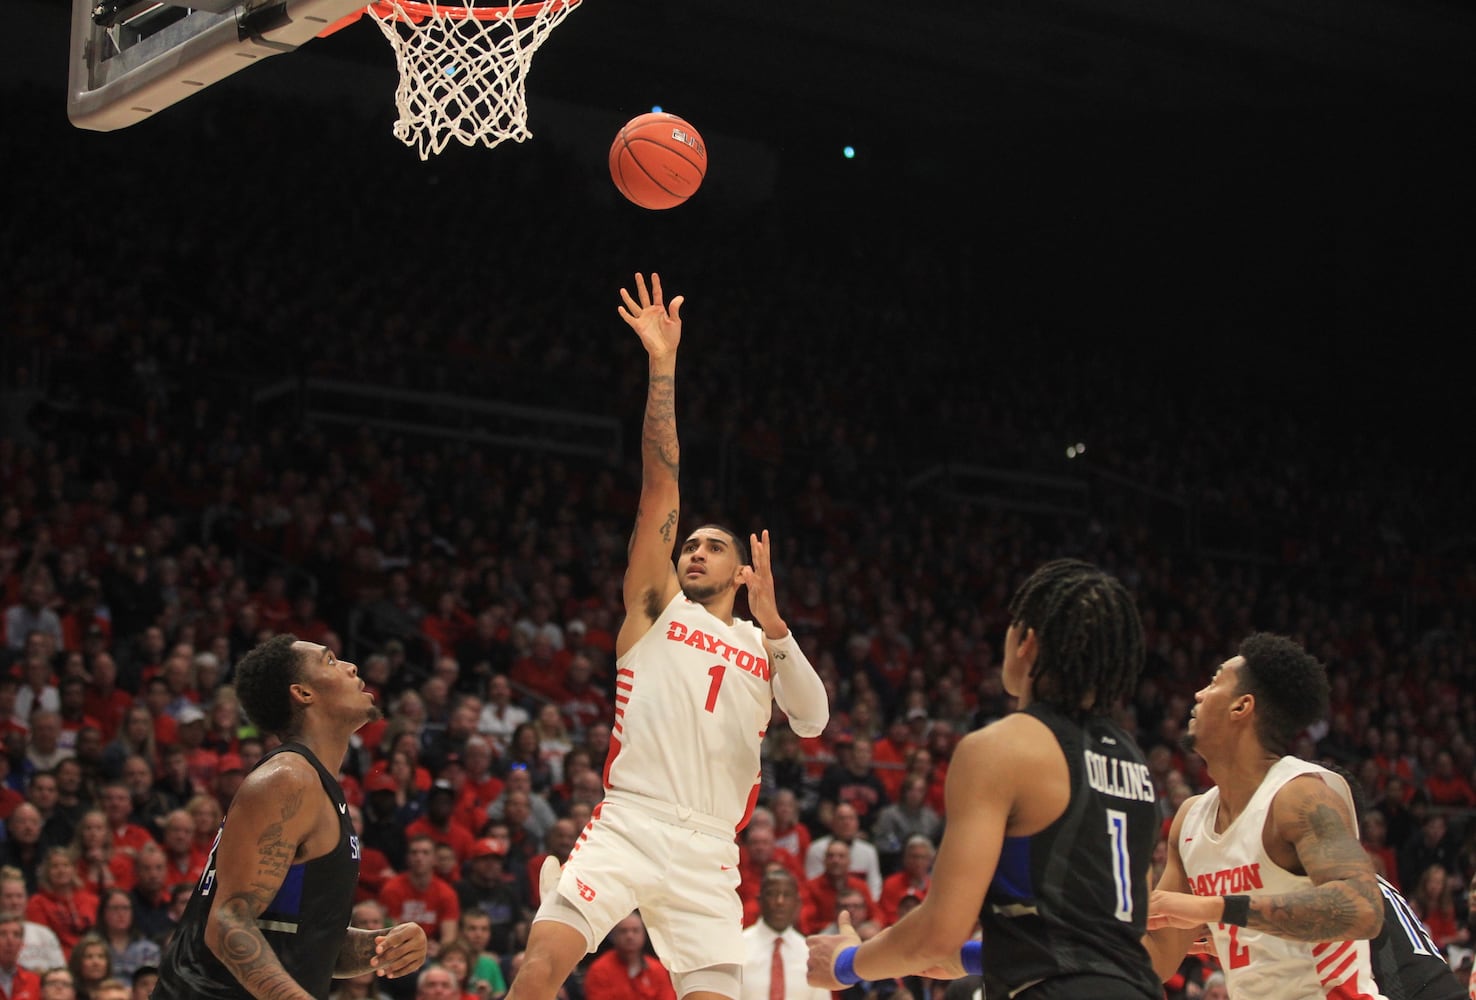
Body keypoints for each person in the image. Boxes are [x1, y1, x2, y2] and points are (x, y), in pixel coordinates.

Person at [505, 273, 830, 1000]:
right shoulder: (656, 609)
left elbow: (812, 721)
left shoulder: (760, 643)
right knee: (540, 968)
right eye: (691, 544)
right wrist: (662, 366)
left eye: (714, 546)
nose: (695, 550)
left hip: (712, 850)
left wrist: (777, 627)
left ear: (744, 569)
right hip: (632, 820)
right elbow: (661, 485)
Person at [806, 559, 1161, 1000]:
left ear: (1026, 641)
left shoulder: (1002, 746)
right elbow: (1103, 941)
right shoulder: (1135, 761)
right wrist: (983, 955)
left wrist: (843, 964)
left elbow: (939, 933)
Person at [151, 635, 429, 1000]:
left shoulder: (315, 784)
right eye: (330, 661)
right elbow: (227, 922)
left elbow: (297, 940)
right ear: (303, 693)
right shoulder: (288, 778)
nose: (351, 666)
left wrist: (381, 947)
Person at [1143, 633, 1387, 998]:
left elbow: (1362, 908)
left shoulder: (1298, 793)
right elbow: (1158, 960)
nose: (1198, 694)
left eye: (1213, 683)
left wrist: (1212, 907)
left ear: (1241, 707)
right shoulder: (1190, 819)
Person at [739, 869, 829, 1000]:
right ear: (759, 900)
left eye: (786, 895)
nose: (779, 901)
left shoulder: (811, 954)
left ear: (797, 903)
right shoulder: (738, 946)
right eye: (772, 894)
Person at [579, 914, 676, 1000]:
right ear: (614, 936)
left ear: (644, 935)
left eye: (635, 930)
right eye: (623, 931)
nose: (630, 936)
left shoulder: (658, 969)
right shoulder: (600, 970)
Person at [0, 911, 42, 1000]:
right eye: (3, 934)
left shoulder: (34, 981)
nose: (10, 941)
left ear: (22, 944)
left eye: (16, 935)